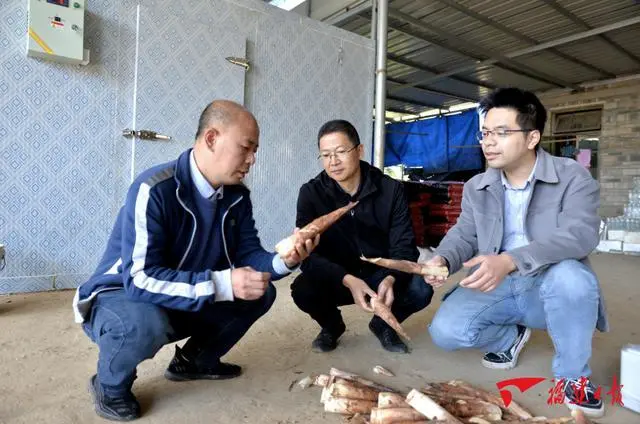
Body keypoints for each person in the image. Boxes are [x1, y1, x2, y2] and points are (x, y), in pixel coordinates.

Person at [73, 100, 318, 421]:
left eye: (255, 150)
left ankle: (193, 362)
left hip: (184, 290)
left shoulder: (236, 197)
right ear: (212, 139)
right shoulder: (155, 189)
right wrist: (222, 283)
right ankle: (110, 384)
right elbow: (140, 280)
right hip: (121, 296)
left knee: (260, 291)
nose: (252, 159)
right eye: (246, 147)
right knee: (144, 324)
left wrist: (284, 261)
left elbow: (248, 257)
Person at [424, 88, 607, 418]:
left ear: (532, 137)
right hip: (499, 283)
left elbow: (580, 235)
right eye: (485, 133)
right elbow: (464, 234)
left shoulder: (572, 177)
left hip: (547, 280)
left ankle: (574, 379)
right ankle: (508, 338)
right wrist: (443, 259)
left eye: (502, 133)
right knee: (445, 331)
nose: (488, 142)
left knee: (573, 280)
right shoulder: (477, 186)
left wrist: (509, 260)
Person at [291, 120, 433, 354]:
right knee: (303, 289)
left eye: (340, 152)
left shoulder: (390, 189)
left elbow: (405, 248)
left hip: (379, 275)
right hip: (338, 277)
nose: (333, 162)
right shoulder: (311, 193)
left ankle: (383, 323)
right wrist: (347, 279)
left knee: (420, 287)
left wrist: (390, 278)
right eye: (325, 155)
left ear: (359, 150)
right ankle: (332, 326)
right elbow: (308, 257)